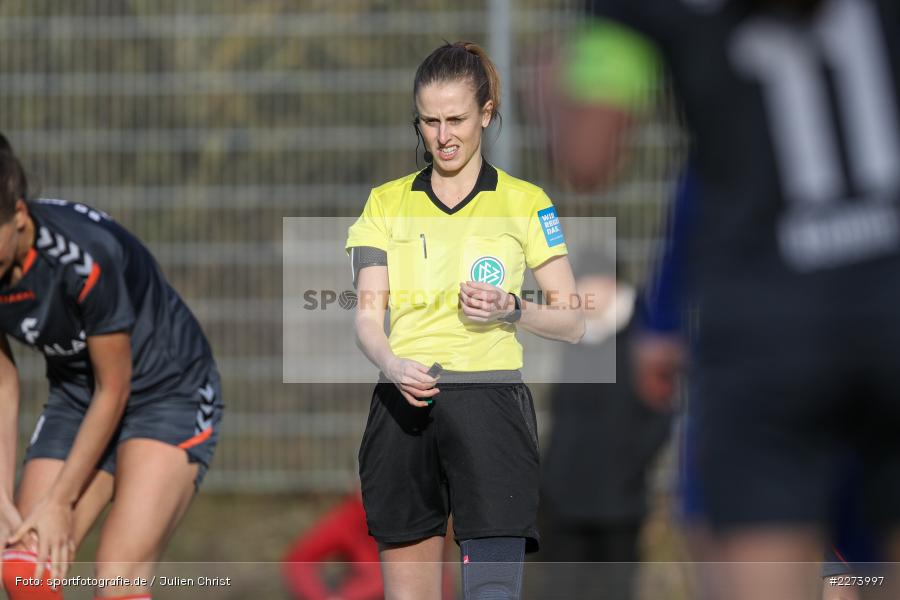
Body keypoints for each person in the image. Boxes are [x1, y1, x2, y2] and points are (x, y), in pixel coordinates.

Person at [543, 2, 900, 598]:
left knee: (763, 538)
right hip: (884, 304)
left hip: (770, 333)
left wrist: (549, 86)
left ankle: (842, 579)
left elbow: (590, 155)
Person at [344, 42, 584, 600]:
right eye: (430, 121)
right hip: (403, 407)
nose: (443, 135)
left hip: (490, 409)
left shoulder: (527, 203)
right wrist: (391, 362)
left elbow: (572, 322)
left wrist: (514, 308)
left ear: (487, 114)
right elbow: (366, 319)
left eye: (456, 119)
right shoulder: (384, 203)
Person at [0, 134, 223, 600]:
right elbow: (2, 382)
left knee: (117, 581)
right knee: (25, 571)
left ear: (19, 216)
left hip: (169, 393)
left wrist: (60, 501)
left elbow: (115, 389)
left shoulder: (83, 258)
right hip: (81, 394)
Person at [539, 251, 672, 600]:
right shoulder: (576, 339)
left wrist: (627, 468)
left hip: (620, 502)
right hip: (564, 502)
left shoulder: (641, 337)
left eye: (585, 285)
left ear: (610, 284)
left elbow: (661, 416)